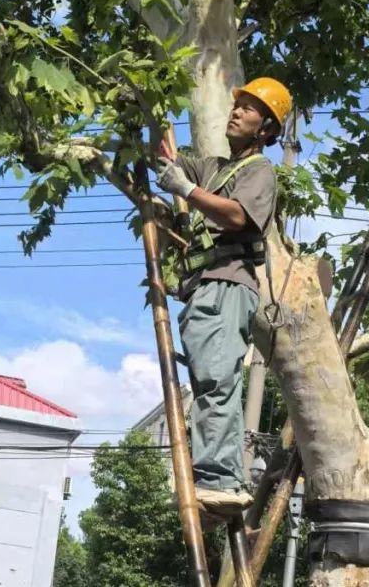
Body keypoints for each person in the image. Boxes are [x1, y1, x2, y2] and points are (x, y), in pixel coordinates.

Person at [154, 77, 292, 516]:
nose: (236, 112)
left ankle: (221, 479)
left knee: (217, 382)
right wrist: (149, 103)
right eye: (238, 105)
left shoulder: (259, 171)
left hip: (228, 284)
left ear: (266, 129)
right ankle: (216, 478)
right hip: (205, 287)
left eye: (249, 109)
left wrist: (188, 192)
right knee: (208, 382)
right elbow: (169, 160)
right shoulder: (217, 168)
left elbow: (238, 216)